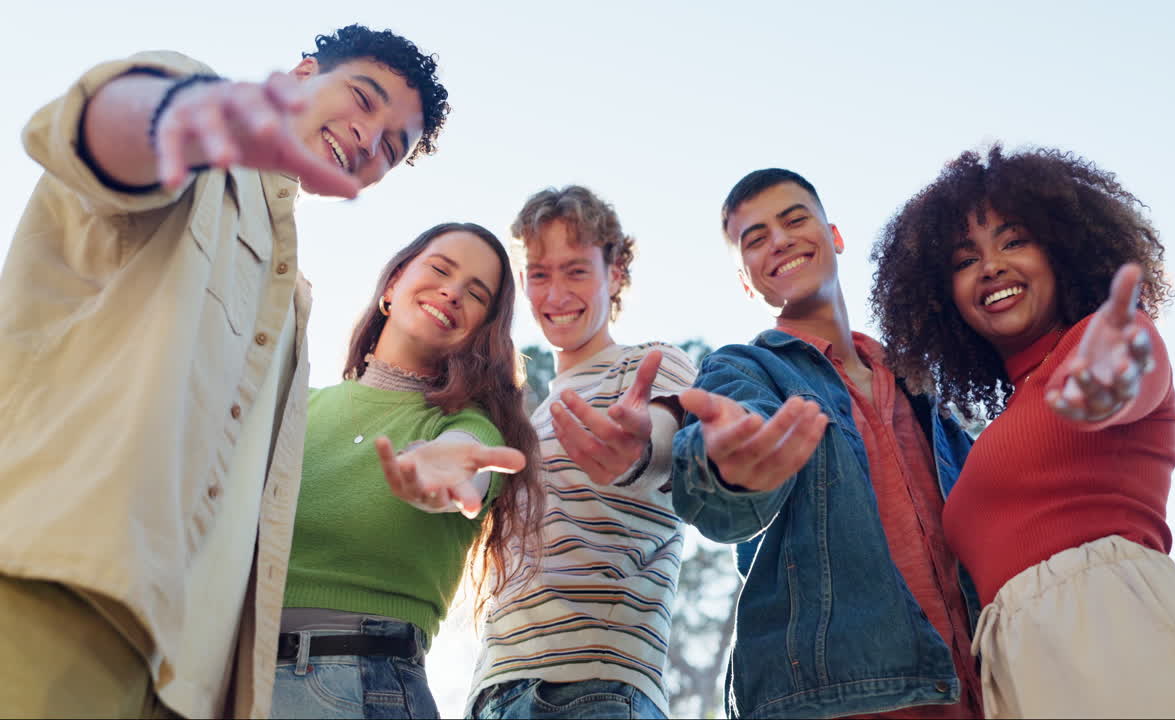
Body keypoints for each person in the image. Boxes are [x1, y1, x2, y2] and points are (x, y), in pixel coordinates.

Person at [0, 24, 449, 718]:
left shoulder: (296, 304)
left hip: (184, 676)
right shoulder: (199, 123)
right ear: (302, 74)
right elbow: (105, 131)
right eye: (363, 99)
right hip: (55, 590)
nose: (368, 139)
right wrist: (185, 119)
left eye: (392, 146)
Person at [868, 145, 1175, 718]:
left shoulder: (1106, 336)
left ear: (1063, 251)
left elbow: (1126, 370)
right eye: (965, 260)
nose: (990, 267)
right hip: (1025, 667)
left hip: (1123, 638)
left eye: (1014, 241)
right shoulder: (995, 428)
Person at [669, 169, 982, 719]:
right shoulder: (744, 368)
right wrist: (732, 467)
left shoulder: (922, 383)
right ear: (747, 281)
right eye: (756, 238)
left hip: (978, 688)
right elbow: (723, 493)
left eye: (794, 220)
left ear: (834, 236)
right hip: (839, 701)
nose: (781, 240)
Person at [272, 222, 542, 719]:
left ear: (482, 331)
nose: (452, 292)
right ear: (393, 283)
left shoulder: (472, 427)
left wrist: (443, 472)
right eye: (441, 269)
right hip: (232, 675)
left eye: (476, 294)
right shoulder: (295, 405)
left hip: (358, 685)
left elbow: (465, 460)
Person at [467, 186, 697, 720]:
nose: (556, 293)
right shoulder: (524, 421)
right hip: (495, 690)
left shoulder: (648, 366)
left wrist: (641, 450)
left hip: (595, 690)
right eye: (540, 273)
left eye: (576, 270)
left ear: (614, 273)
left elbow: (667, 442)